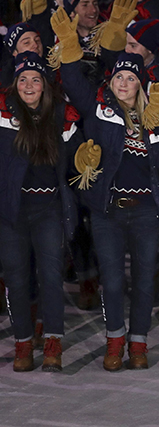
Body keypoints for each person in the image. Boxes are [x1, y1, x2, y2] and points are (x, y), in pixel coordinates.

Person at [51, 1, 159, 371]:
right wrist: (70, 46)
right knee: (111, 281)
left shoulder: (155, 113)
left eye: (131, 78)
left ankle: (138, 344)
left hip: (147, 212)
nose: (123, 82)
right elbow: (72, 81)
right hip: (108, 210)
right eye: (119, 76)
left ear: (141, 83)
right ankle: (114, 339)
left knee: (142, 280)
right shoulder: (98, 108)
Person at [0, 52, 80, 372]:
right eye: (23, 80)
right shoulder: (3, 115)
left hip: (48, 208)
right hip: (12, 212)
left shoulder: (61, 115)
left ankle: (52, 343)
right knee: (17, 280)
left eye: (36, 79)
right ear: (14, 84)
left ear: (45, 86)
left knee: (50, 277)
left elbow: (78, 158)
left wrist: (86, 159)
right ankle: (22, 341)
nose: (29, 85)